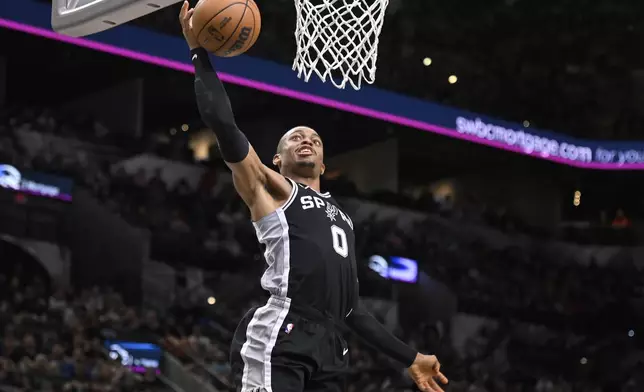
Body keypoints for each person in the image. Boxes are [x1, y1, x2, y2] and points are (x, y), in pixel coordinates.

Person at [179, 2, 449, 391]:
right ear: (277, 159)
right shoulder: (269, 189)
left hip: (331, 346)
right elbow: (223, 123)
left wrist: (411, 357)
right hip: (283, 331)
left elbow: (353, 310)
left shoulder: (344, 217)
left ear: (324, 164)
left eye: (315, 139)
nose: (306, 140)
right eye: (295, 138)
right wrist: (197, 52)